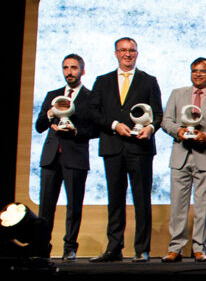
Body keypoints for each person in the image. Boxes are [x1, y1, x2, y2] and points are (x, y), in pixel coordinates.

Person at [89, 37, 163, 262]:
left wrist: (150, 128)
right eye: (123, 50)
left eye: (131, 50)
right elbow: (93, 111)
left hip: (140, 148)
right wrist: (114, 125)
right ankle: (114, 248)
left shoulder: (148, 81)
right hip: (113, 147)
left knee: (142, 200)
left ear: (137, 53)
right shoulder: (102, 81)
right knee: (115, 200)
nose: (127, 54)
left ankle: (142, 249)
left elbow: (158, 114)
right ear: (116, 53)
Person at [159, 58, 206, 263]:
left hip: (205, 156)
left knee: (203, 206)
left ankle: (199, 248)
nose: (198, 74)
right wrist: (178, 131)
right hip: (180, 156)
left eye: (203, 71)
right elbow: (165, 121)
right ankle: (175, 248)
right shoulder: (177, 94)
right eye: (194, 71)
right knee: (178, 205)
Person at [34, 53, 94, 260]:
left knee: (74, 206)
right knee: (45, 207)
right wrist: (50, 112)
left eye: (74, 68)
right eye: (66, 68)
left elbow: (95, 129)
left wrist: (76, 131)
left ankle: (70, 247)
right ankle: (42, 247)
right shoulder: (53, 94)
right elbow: (40, 126)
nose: (69, 72)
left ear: (82, 71)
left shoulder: (90, 96)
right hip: (51, 157)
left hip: (75, 157)